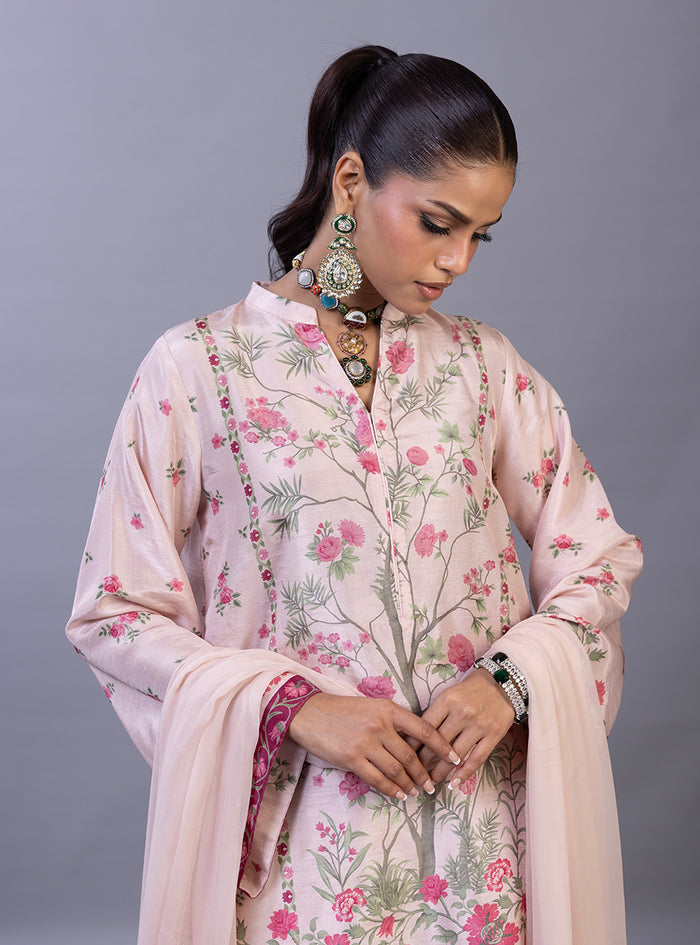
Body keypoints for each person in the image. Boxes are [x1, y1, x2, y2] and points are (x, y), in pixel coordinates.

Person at [67, 45, 643, 945]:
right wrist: (295, 707)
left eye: (480, 234)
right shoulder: (198, 369)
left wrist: (511, 679)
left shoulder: (484, 367)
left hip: (481, 850)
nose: (458, 259)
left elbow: (598, 560)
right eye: (438, 222)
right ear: (350, 181)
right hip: (303, 862)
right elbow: (114, 612)